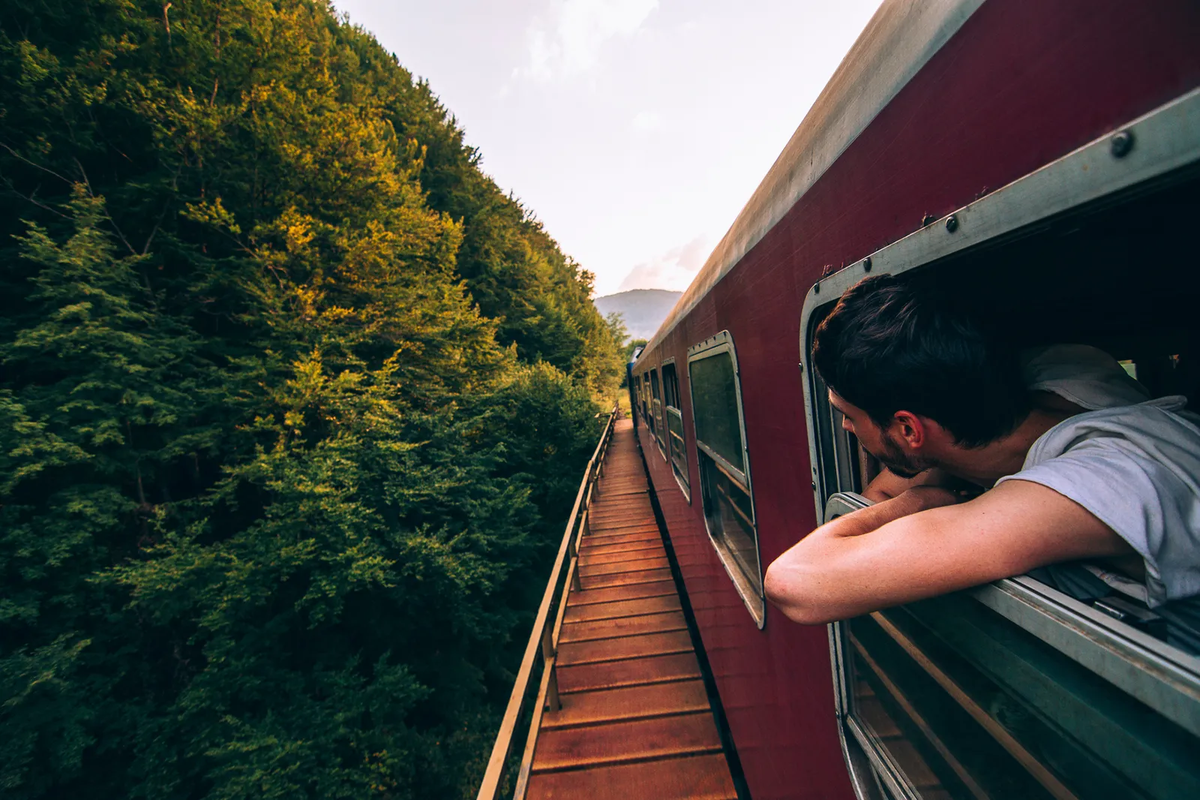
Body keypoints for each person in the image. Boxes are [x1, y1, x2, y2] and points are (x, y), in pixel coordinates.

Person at [764, 274, 1200, 631]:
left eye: (848, 415)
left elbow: (795, 583)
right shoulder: (1070, 371)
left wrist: (922, 498)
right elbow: (885, 487)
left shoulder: (1091, 487)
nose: (843, 425)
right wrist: (937, 473)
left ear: (909, 429)